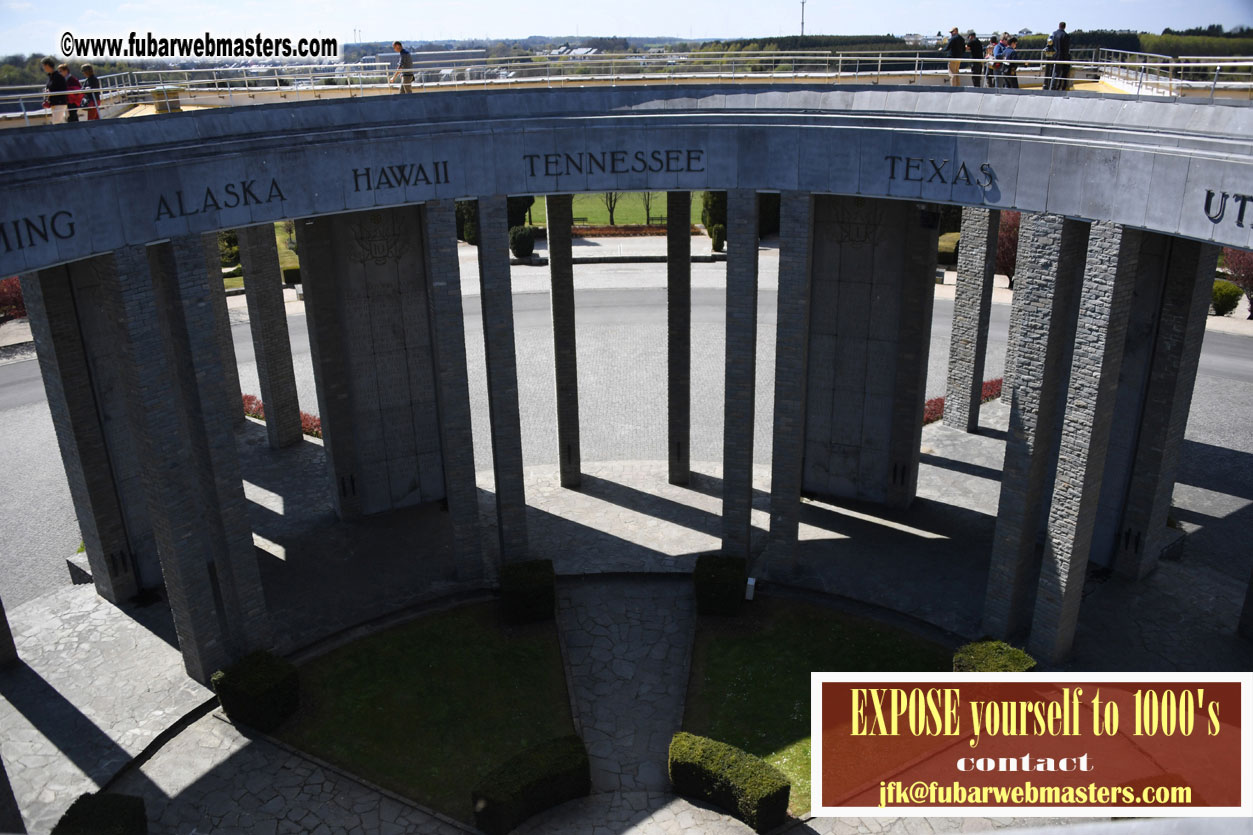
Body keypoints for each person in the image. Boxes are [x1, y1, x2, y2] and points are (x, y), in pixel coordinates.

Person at [1046, 21, 1072, 91]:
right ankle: (1058, 87)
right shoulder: (1066, 36)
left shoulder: (1054, 34)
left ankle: (1051, 86)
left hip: (1053, 56)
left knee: (1053, 72)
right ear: (1065, 27)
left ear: (1059, 26)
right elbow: (1066, 48)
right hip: (1062, 57)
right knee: (1061, 73)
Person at [41, 58, 68, 124]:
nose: (43, 68)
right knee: (60, 121)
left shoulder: (58, 76)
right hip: (54, 103)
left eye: (44, 66)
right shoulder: (51, 77)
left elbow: (62, 89)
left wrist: (50, 92)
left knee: (56, 121)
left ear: (47, 65)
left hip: (59, 103)